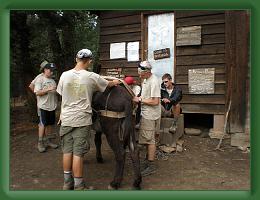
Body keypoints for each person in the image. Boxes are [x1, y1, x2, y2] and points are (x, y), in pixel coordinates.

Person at [56, 48, 121, 190]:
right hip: (81, 120)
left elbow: (62, 95)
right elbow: (106, 84)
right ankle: (79, 186)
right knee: (78, 153)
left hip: (66, 118)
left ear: (76, 59)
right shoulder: (91, 76)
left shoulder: (64, 75)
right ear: (89, 61)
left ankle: (67, 183)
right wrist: (115, 81)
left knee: (67, 151)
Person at [132, 61, 161, 177]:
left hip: (150, 115)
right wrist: (139, 97)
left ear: (147, 72)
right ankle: (148, 160)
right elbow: (145, 96)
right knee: (148, 139)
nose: (139, 75)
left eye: (141, 73)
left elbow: (155, 101)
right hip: (146, 113)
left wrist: (139, 100)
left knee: (150, 141)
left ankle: (151, 165)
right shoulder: (145, 80)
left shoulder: (154, 81)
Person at [34, 62, 59, 153]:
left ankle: (48, 141)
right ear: (45, 69)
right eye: (50, 70)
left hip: (52, 106)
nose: (52, 72)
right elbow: (37, 92)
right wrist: (48, 89)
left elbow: (55, 92)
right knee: (42, 124)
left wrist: (56, 91)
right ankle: (40, 143)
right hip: (43, 106)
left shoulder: (53, 81)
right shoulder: (40, 79)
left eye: (53, 71)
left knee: (50, 124)